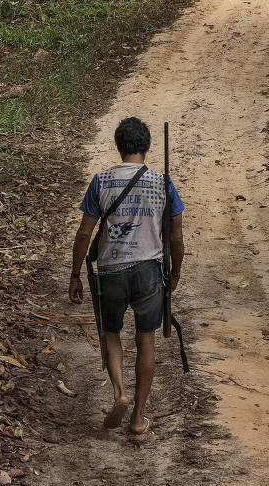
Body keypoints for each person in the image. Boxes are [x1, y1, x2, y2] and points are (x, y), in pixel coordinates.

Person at [67, 116, 185, 438]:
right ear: (146, 147)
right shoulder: (163, 183)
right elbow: (175, 237)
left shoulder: (101, 181)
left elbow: (84, 233)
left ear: (118, 146)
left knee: (110, 333)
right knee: (146, 339)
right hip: (149, 271)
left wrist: (76, 274)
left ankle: (119, 390)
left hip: (111, 271)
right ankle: (137, 417)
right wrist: (174, 273)